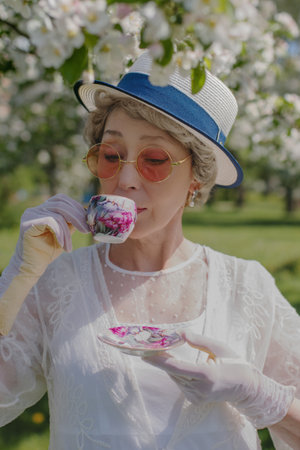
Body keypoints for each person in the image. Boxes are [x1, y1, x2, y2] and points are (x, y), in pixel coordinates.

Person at [0, 51, 300, 450]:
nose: (124, 179)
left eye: (154, 160)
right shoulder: (54, 283)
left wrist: (253, 390)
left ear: (196, 176)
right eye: (110, 155)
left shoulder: (248, 287)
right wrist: (17, 280)